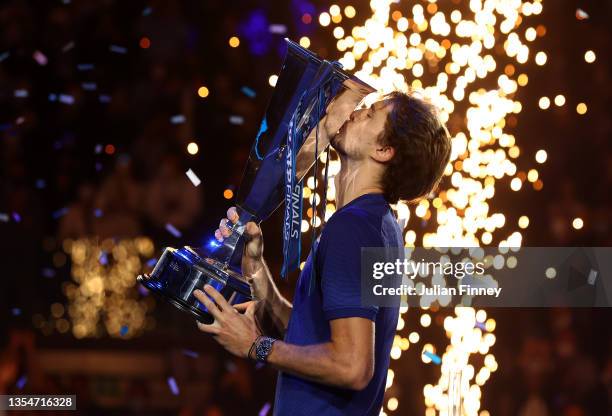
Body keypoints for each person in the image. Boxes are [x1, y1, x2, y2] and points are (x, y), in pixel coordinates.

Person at [193, 91, 451, 415]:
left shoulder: (354, 229)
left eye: (371, 113)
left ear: (383, 150)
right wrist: (257, 272)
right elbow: (311, 336)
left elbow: (352, 367)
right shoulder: (378, 223)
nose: (355, 113)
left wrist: (256, 346)